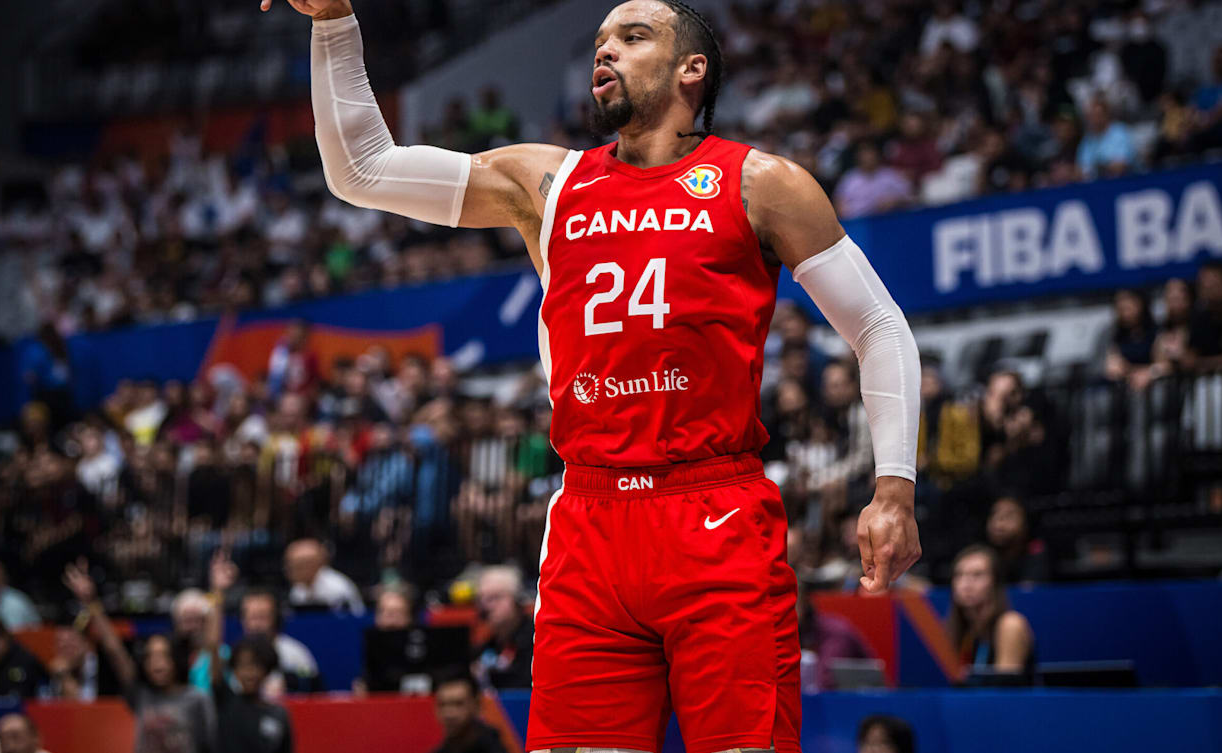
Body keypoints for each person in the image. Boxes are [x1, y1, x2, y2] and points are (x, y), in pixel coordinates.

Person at [264, 1, 922, 749]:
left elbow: (878, 325)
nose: (604, 52)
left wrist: (893, 488)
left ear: (690, 69)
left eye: (632, 38)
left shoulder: (761, 183)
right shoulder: (546, 183)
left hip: (714, 512)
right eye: (600, 41)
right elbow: (361, 171)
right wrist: (334, 22)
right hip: (589, 520)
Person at [63, 560, 216, 753]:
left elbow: (210, 744)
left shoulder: (197, 699)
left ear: (175, 660)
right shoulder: (142, 696)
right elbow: (115, 651)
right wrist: (91, 603)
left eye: (163, 656)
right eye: (150, 657)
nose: (157, 663)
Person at [204, 560, 294, 753]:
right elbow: (213, 644)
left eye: (256, 666)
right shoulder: (225, 700)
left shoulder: (278, 714)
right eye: (243, 666)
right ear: (234, 669)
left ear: (267, 670)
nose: (249, 673)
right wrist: (217, 594)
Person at [947, 545, 1035, 682]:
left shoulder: (1010, 625)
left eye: (977, 575)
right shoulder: (960, 631)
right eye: (959, 575)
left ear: (995, 582)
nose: (966, 583)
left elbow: (1003, 692)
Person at [239, 590, 321, 695]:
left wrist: (288, 680)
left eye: (262, 617)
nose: (257, 625)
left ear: (275, 619)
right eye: (252, 618)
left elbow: (311, 678)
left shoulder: (295, 652)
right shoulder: (235, 654)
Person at [472, 566, 533, 690]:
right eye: (481, 599)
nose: (486, 607)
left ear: (517, 599)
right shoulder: (486, 646)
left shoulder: (535, 639)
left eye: (494, 598)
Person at [283, 539, 365, 615]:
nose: (289, 571)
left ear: (311, 565)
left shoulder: (337, 588)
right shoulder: (298, 589)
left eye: (296, 566)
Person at [429, 672, 506, 753]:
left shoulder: (494, 748)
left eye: (458, 704)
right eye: (442, 705)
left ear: (476, 705)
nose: (449, 713)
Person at [983, 495, 1050, 585]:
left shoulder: (1037, 553)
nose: (998, 523)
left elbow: (1028, 594)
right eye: (994, 514)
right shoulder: (982, 555)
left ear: (1025, 523)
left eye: (1009, 516)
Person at [1104, 288, 1157, 388]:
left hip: (1156, 390)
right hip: (1124, 391)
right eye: (1120, 308)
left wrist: (1150, 372)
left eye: (1129, 306)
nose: (1125, 313)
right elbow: (1109, 367)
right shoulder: (1113, 335)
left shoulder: (1156, 332)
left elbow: (1165, 365)